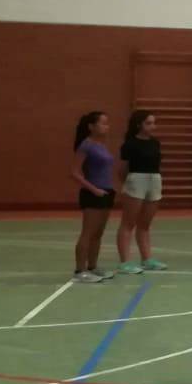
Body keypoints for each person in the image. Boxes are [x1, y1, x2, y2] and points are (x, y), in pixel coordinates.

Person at [115, 110, 167, 274]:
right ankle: (125, 262)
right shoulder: (130, 144)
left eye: (154, 123)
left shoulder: (155, 143)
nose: (153, 126)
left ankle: (147, 259)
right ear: (139, 124)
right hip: (136, 180)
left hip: (154, 180)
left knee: (145, 224)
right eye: (148, 123)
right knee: (128, 223)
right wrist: (128, 185)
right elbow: (122, 169)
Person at [70, 111, 116, 283]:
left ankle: (93, 267)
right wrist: (94, 189)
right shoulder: (86, 145)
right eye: (103, 123)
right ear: (91, 126)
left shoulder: (101, 144)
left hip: (106, 192)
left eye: (107, 123)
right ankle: (80, 270)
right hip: (92, 193)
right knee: (88, 233)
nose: (106, 126)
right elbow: (74, 173)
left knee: (98, 233)